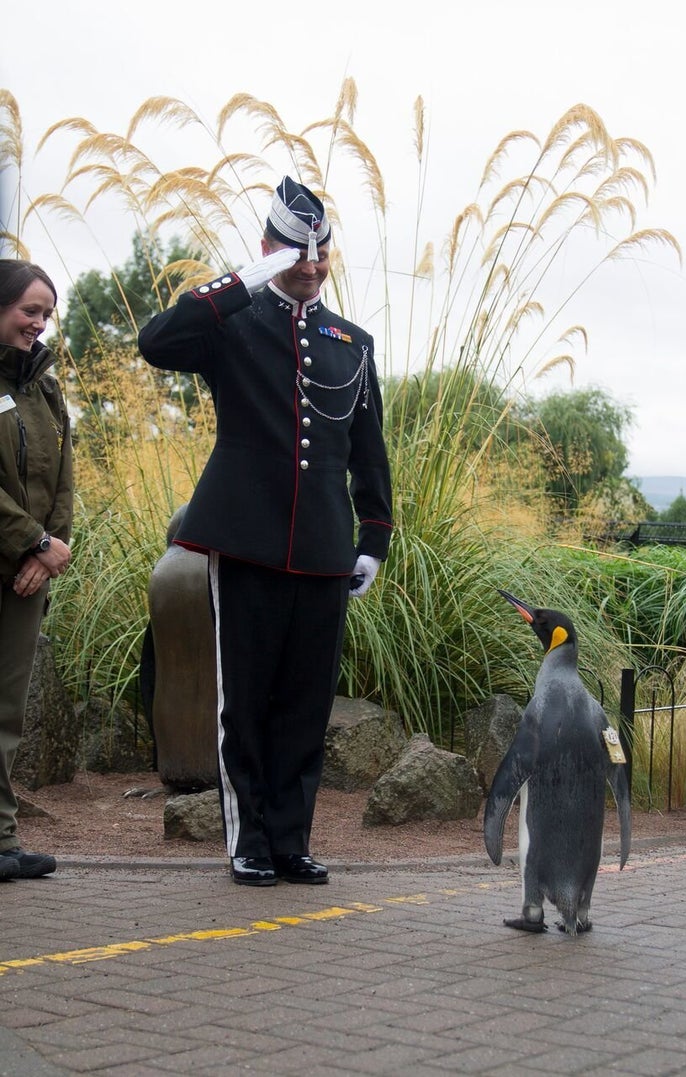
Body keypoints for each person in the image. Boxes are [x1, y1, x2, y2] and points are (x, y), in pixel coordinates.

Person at [139, 178, 392, 887]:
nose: (309, 267)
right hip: (247, 542)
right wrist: (245, 281)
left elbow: (368, 452)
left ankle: (291, 839)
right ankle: (248, 838)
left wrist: (373, 538)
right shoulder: (232, 322)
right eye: (294, 253)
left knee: (304, 706)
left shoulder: (353, 344)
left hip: (321, 550)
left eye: (320, 254)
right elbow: (155, 341)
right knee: (244, 702)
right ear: (267, 249)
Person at [0, 259, 73, 880]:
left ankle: (1, 841)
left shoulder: (43, 385)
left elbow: (63, 476)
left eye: (46, 314)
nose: (39, 323)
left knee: (6, 711)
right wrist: (31, 540)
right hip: (14, 551)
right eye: (29, 310)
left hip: (27, 570)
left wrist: (51, 551)